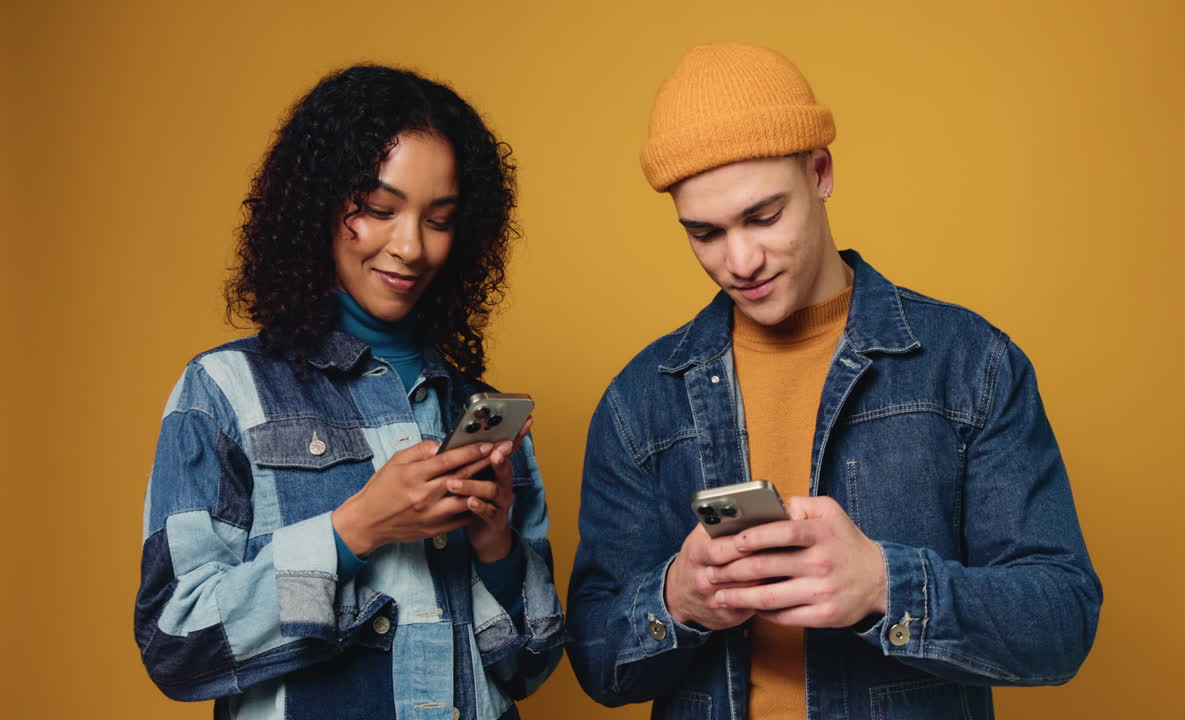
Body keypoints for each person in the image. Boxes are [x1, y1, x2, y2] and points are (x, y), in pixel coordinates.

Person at [566, 43, 1101, 719]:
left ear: (820, 171)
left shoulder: (970, 364)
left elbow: (1062, 623)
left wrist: (885, 584)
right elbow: (592, 658)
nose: (740, 259)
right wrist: (676, 600)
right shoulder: (638, 402)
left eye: (764, 216)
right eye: (704, 233)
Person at [135, 65, 564, 719]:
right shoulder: (226, 393)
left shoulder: (476, 415)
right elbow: (179, 640)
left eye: (439, 219)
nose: (411, 246)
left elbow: (527, 665)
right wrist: (356, 530)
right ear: (317, 203)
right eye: (380, 210)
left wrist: (495, 544)